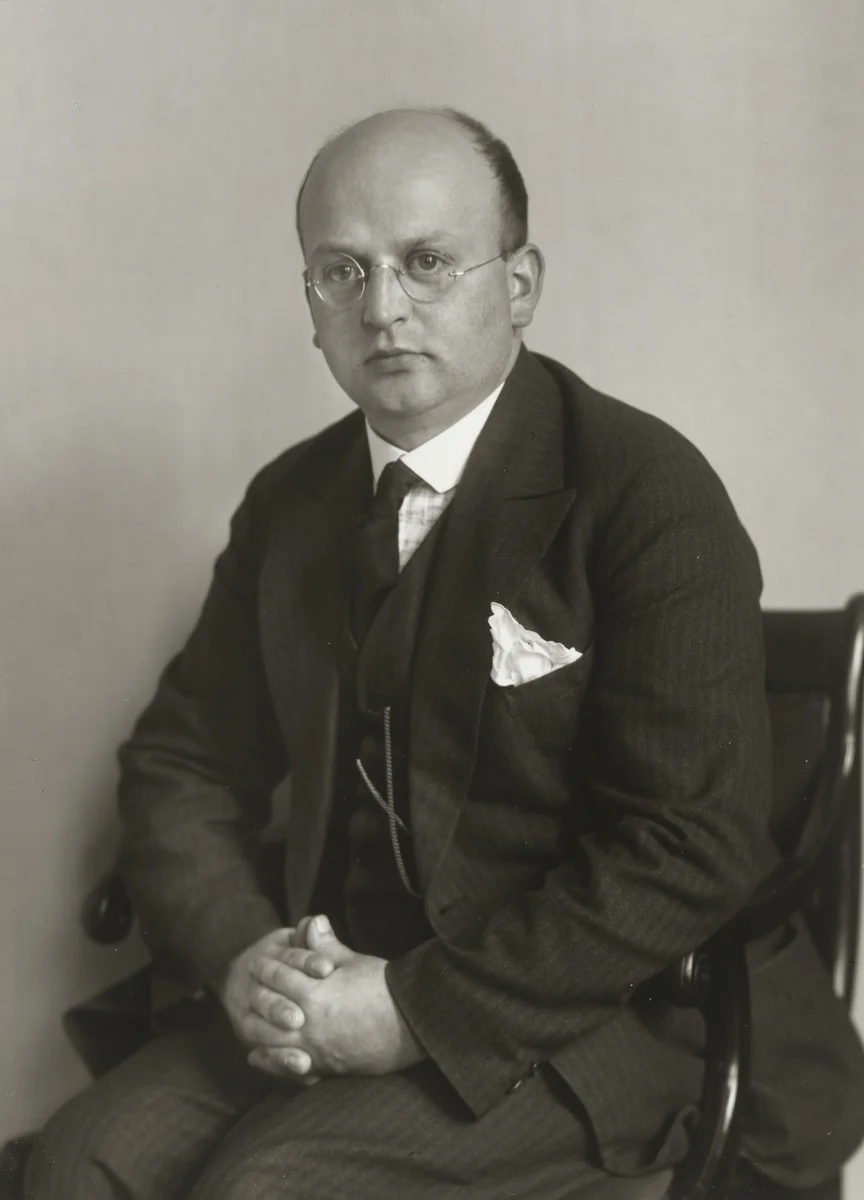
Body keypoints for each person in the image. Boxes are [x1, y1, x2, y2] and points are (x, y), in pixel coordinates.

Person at [24, 108, 864, 1200]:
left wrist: (417, 1010)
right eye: (342, 273)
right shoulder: (292, 503)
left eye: (426, 262)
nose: (383, 309)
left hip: (613, 1014)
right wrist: (248, 961)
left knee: (270, 1186)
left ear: (519, 285)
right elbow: (181, 765)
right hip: (335, 983)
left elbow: (689, 845)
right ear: (310, 306)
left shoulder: (646, 491)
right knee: (79, 1162)